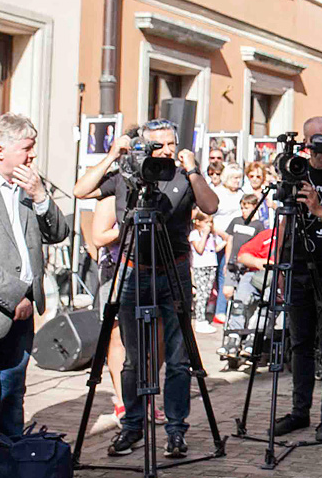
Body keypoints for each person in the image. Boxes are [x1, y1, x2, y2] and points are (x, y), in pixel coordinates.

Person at [73, 118, 219, 459]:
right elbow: (81, 190)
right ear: (143, 146)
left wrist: (194, 170)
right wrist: (112, 155)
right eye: (159, 145)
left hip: (175, 269)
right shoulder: (127, 175)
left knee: (179, 359)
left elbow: (210, 206)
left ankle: (176, 431)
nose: (166, 150)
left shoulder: (184, 176)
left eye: (171, 143)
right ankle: (133, 426)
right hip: (133, 270)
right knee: (133, 361)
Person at [271, 116, 322, 445]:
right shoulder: (296, 170)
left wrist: (318, 210)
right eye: (317, 137)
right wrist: (279, 263)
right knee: (300, 343)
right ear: (306, 141)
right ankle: (299, 411)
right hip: (298, 267)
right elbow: (286, 222)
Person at [0, 113, 69, 435]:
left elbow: (59, 232)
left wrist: (40, 197)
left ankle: (10, 462)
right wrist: (14, 295)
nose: (33, 155)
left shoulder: (26, 188)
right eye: (27, 147)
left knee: (12, 398)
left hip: (22, 319)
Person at [91, 195, 126, 425]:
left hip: (147, 270)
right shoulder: (111, 197)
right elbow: (97, 237)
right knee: (117, 339)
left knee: (149, 340)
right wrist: (126, 230)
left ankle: (145, 398)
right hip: (114, 270)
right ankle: (123, 401)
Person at [219, 194, 266, 359]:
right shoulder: (236, 221)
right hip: (234, 264)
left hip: (249, 267)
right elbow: (230, 241)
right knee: (229, 294)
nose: (244, 211)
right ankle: (233, 334)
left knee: (247, 300)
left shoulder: (259, 225)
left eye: (247, 207)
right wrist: (227, 261)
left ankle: (246, 335)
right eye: (242, 207)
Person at [211, 163, 244, 324]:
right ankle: (215, 307)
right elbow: (209, 217)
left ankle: (222, 311)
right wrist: (224, 235)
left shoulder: (241, 195)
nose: (238, 181)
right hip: (218, 239)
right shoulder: (218, 193)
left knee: (227, 273)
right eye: (235, 178)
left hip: (235, 241)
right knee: (214, 276)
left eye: (239, 178)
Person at [188, 212, 223, 334]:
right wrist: (205, 235)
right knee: (201, 294)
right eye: (206, 222)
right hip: (200, 266)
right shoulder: (195, 234)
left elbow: (215, 248)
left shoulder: (212, 235)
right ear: (198, 222)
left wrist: (227, 241)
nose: (209, 225)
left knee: (207, 293)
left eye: (210, 222)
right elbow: (199, 249)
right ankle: (200, 320)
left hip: (211, 264)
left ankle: (203, 318)